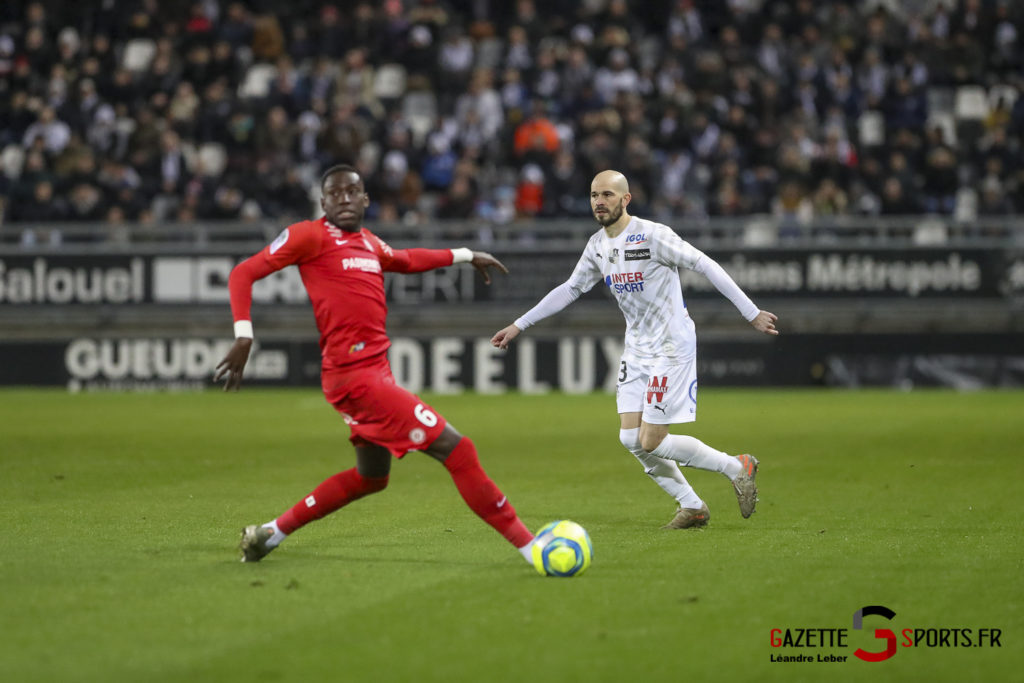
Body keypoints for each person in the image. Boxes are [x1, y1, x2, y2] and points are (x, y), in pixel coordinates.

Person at [216, 164, 535, 563]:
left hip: (371, 374)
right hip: (355, 378)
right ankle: (534, 547)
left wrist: (466, 255)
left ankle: (270, 534)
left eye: (353, 191)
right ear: (323, 201)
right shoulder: (308, 236)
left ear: (366, 199)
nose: (345, 199)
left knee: (371, 478)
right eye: (335, 193)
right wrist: (244, 334)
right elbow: (243, 273)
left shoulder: (368, 243)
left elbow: (406, 259)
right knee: (459, 449)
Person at [491, 170, 779, 529]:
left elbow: (704, 264)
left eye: (608, 195)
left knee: (651, 440)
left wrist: (750, 312)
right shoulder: (598, 245)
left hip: (671, 346)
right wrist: (520, 324)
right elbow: (570, 288)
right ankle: (692, 506)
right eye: (595, 195)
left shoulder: (653, 235)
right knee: (630, 438)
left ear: (626, 199)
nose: (600, 201)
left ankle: (737, 467)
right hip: (637, 349)